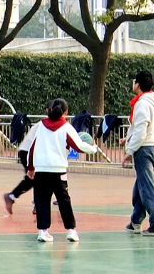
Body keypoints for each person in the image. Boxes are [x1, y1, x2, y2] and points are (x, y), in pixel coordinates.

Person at [26, 98, 98, 242]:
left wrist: (30, 167)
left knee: (41, 201)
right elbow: (78, 145)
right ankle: (71, 230)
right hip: (58, 170)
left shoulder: (40, 126)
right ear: (66, 112)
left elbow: (31, 148)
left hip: (41, 170)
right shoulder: (66, 127)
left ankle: (43, 231)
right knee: (64, 201)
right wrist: (93, 148)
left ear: (49, 110)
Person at [120, 70, 154, 236]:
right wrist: (128, 139)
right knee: (141, 184)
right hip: (153, 146)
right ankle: (136, 221)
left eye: (134, 81)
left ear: (137, 84)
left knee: (146, 186)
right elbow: (143, 127)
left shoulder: (142, 104)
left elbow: (141, 130)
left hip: (143, 148)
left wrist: (129, 151)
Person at [4, 101, 51, 215]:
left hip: (28, 151)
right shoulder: (46, 125)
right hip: (29, 152)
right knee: (38, 179)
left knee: (35, 180)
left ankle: (14, 197)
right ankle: (32, 202)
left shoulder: (46, 123)